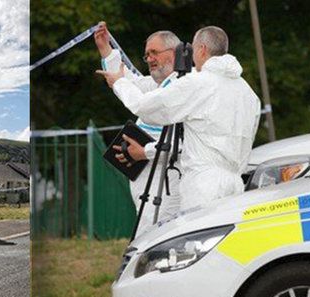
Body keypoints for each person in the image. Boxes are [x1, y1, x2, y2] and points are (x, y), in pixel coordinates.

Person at [97, 26, 260, 212]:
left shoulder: (198, 83)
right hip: (235, 185)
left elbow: (145, 106)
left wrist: (119, 83)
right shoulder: (249, 93)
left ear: (202, 49)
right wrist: (110, 58)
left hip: (203, 184)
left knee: (197, 238)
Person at [94, 22, 182, 234]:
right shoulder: (161, 83)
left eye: (154, 53)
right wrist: (106, 49)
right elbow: (130, 82)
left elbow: (178, 146)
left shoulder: (181, 87)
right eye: (146, 55)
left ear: (174, 53)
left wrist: (143, 152)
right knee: (147, 233)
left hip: (166, 183)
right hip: (145, 181)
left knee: (153, 238)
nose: (149, 59)